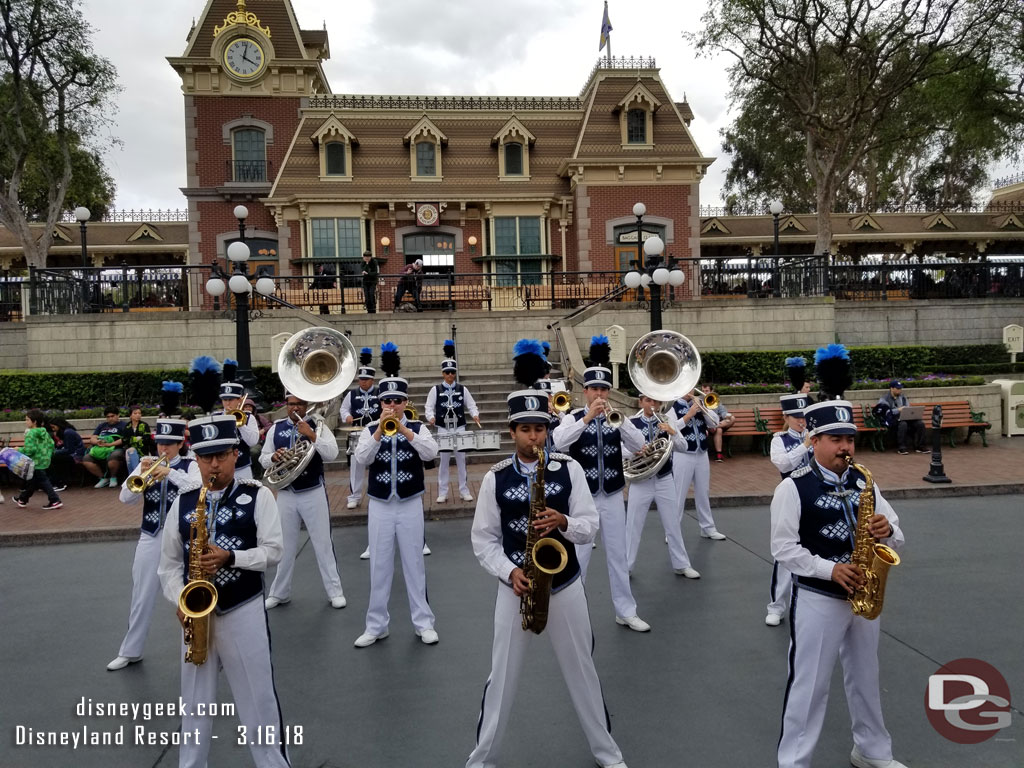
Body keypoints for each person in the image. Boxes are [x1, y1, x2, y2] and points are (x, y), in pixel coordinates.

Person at [467, 390, 628, 768]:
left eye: (539, 429)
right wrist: (510, 571)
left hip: (565, 585)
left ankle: (609, 755)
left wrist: (564, 522)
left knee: (583, 672)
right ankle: (480, 760)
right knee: (501, 677)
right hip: (516, 588)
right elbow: (484, 539)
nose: (534, 437)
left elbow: (590, 527)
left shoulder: (568, 468)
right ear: (512, 432)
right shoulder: (495, 478)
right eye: (525, 430)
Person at [772, 400, 907, 768]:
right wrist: (828, 569)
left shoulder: (865, 482)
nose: (845, 447)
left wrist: (888, 529)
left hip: (864, 596)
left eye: (850, 438)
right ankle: (794, 762)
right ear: (814, 441)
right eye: (836, 439)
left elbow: (898, 535)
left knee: (866, 677)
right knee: (809, 686)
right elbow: (783, 549)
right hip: (819, 599)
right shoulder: (793, 488)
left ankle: (873, 751)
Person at [157, 414, 289, 768]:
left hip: (242, 608)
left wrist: (232, 557)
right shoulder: (183, 502)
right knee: (194, 704)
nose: (214, 464)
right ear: (195, 459)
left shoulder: (257, 495)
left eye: (221, 455)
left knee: (258, 702)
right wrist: (179, 598)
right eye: (205, 457)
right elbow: (168, 565)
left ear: (235, 454)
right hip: (196, 616)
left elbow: (274, 551)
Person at [552, 336, 650, 632]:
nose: (598, 394)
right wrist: (586, 419)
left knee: (617, 555)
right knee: (578, 556)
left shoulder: (617, 418)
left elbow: (639, 443)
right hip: (582, 500)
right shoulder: (571, 418)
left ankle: (625, 610)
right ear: (585, 391)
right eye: (594, 389)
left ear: (609, 392)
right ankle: (575, 612)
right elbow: (559, 443)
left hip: (611, 495)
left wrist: (617, 421)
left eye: (603, 390)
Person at [351, 350, 440, 647]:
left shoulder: (417, 427)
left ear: (405, 403)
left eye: (397, 401)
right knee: (379, 565)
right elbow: (362, 459)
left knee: (415, 563)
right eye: (386, 401)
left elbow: (431, 453)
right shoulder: (368, 429)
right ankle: (376, 625)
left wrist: (403, 429)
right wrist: (379, 431)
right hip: (379, 505)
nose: (391, 405)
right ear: (380, 403)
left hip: (410, 503)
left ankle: (423, 622)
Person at [108, 419, 200, 671]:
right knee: (141, 593)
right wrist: (140, 473)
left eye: (170, 444)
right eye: (160, 443)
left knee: (188, 593)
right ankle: (130, 651)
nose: (164, 449)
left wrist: (170, 473)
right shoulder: (145, 463)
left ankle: (198, 646)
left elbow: (197, 488)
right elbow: (125, 498)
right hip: (150, 534)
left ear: (181, 443)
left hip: (182, 538)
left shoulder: (191, 465)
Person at [262, 393, 346, 610]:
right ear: (286, 406)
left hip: (312, 492)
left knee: (323, 544)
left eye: (299, 404)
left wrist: (312, 436)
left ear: (306, 405)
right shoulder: (276, 428)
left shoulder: (317, 425)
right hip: (286, 494)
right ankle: (280, 593)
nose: (295, 408)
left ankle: (335, 591)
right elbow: (263, 457)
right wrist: (273, 457)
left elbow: (332, 453)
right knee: (284, 546)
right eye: (291, 404)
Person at [624, 396, 700, 579]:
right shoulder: (630, 422)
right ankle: (626, 566)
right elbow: (621, 449)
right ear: (641, 401)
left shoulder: (667, 420)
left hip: (664, 479)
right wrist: (636, 450)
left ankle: (682, 564)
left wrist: (672, 432)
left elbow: (683, 446)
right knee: (633, 524)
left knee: (673, 522)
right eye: (649, 401)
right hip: (641, 479)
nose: (653, 405)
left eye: (657, 402)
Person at [765, 393, 812, 627]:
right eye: (796, 417)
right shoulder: (779, 440)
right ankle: (776, 606)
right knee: (784, 552)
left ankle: (808, 601)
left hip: (813, 497)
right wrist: (805, 446)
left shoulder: (817, 437)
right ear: (786, 417)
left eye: (803, 417)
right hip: (789, 497)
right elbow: (783, 464)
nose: (801, 421)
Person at [425, 351, 480, 504]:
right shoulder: (435, 390)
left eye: (452, 372)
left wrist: (475, 414)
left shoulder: (463, 389)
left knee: (461, 460)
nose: (450, 375)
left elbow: (471, 404)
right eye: (447, 372)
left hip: (459, 427)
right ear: (443, 373)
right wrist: (431, 417)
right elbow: (428, 407)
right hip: (443, 428)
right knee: (444, 462)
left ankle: (464, 490)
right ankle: (443, 492)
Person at [672, 390, 725, 540]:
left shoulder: (699, 404)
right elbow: (672, 428)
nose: (691, 391)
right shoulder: (673, 407)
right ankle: (673, 531)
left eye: (692, 388)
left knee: (703, 492)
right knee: (679, 494)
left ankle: (707, 528)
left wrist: (704, 408)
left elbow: (714, 423)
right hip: (683, 454)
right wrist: (689, 415)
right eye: (687, 388)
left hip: (701, 453)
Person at [340, 353, 380, 511]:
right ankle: (354, 496)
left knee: (377, 465)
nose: (362, 382)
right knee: (356, 467)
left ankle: (376, 493)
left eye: (366, 380)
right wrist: (347, 416)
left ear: (372, 380)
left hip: (375, 433)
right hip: (357, 433)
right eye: (361, 380)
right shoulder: (352, 394)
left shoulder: (379, 393)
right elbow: (343, 408)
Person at [13, 409, 62, 510]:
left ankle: (55, 500)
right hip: (45, 460)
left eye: (27, 420)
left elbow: (30, 450)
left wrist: (19, 449)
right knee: (33, 481)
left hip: (35, 461)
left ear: (34, 421)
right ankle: (22, 499)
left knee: (43, 480)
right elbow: (52, 444)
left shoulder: (31, 433)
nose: (26, 422)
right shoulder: (43, 431)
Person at [216, 382, 260, 480]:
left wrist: (240, 424)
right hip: (221, 467)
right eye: (224, 400)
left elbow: (253, 442)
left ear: (239, 400)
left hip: (243, 468)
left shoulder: (248, 417)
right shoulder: (216, 417)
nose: (227, 403)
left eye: (231, 400)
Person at [876, 380, 927, 455]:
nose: (900, 390)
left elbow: (908, 408)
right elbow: (885, 412)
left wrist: (910, 412)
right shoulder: (884, 399)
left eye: (900, 388)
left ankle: (920, 446)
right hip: (892, 420)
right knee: (903, 424)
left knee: (920, 424)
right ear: (892, 388)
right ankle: (901, 448)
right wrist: (898, 410)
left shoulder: (903, 398)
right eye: (898, 388)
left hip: (905, 418)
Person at [82, 406, 127, 488]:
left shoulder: (124, 425)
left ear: (118, 415)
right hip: (100, 448)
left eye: (112, 416)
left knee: (114, 456)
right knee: (86, 459)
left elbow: (124, 439)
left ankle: (113, 477)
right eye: (108, 417)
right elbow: (93, 438)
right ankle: (104, 478)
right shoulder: (102, 426)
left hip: (116, 448)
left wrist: (109, 444)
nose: (110, 418)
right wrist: (97, 442)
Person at [48, 418, 85, 492]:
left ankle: (61, 483)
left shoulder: (68, 432)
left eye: (53, 427)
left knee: (55, 459)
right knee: (51, 458)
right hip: (71, 454)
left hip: (76, 456)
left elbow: (69, 450)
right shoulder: (64, 432)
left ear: (59, 425)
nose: (53, 429)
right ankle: (55, 482)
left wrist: (55, 452)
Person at [701, 383, 734, 462]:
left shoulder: (715, 400)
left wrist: (726, 416)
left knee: (732, 418)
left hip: (717, 425)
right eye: (703, 391)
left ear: (712, 391)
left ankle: (719, 454)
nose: (705, 393)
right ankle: (719, 454)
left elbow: (723, 412)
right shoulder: (700, 401)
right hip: (706, 426)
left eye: (707, 391)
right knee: (719, 430)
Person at [122, 405, 155, 475]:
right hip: (130, 450)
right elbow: (124, 440)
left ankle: (135, 475)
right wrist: (138, 438)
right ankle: (136, 475)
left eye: (139, 413)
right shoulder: (127, 426)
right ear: (130, 415)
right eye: (135, 413)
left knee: (131, 451)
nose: (138, 415)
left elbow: (146, 439)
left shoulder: (144, 425)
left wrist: (132, 439)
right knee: (131, 451)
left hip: (144, 450)